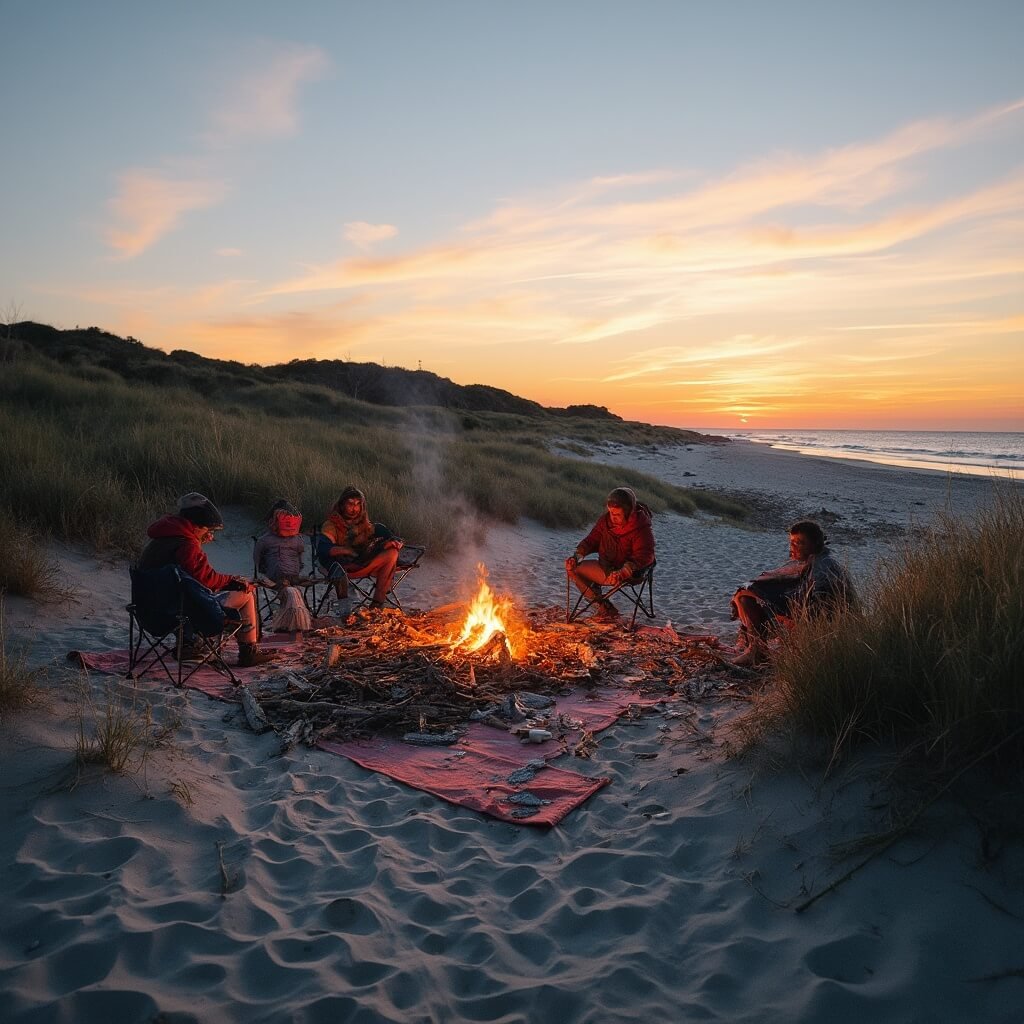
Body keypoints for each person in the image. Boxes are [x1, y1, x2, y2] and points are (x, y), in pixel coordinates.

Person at [137, 493, 277, 668]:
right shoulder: (186, 545)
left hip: (149, 613)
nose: (209, 536)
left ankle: (188, 642)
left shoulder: (160, 541)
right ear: (196, 526)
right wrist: (233, 581)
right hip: (179, 614)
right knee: (246, 593)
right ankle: (248, 652)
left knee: (188, 593)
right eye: (207, 531)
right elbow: (205, 579)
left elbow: (190, 580)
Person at [730, 519, 857, 667]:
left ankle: (757, 651)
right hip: (813, 616)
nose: (792, 547)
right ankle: (757, 648)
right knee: (750, 592)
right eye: (792, 542)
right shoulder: (816, 558)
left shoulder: (823, 566)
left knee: (747, 597)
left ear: (815, 543)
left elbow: (818, 605)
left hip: (828, 629)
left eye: (799, 543)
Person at [565, 487, 655, 622]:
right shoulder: (605, 522)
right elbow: (591, 540)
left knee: (628, 568)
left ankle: (604, 607)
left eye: (617, 514)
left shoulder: (640, 528)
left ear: (629, 512)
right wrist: (577, 556)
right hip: (605, 568)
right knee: (573, 569)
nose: (613, 517)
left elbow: (645, 555)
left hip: (630, 573)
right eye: (611, 512)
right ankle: (604, 608)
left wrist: (625, 570)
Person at [316, 486, 404, 609]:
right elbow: (323, 549)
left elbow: (381, 532)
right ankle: (345, 610)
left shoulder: (364, 525)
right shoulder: (331, 525)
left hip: (363, 564)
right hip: (343, 568)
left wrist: (394, 541)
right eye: (350, 504)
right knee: (342, 565)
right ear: (342, 505)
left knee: (392, 553)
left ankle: (377, 604)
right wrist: (345, 551)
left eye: (358, 504)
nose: (354, 508)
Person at [253, 499, 306, 585]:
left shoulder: (265, 539)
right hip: (295, 574)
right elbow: (300, 559)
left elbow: (257, 559)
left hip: (275, 575)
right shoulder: (298, 539)